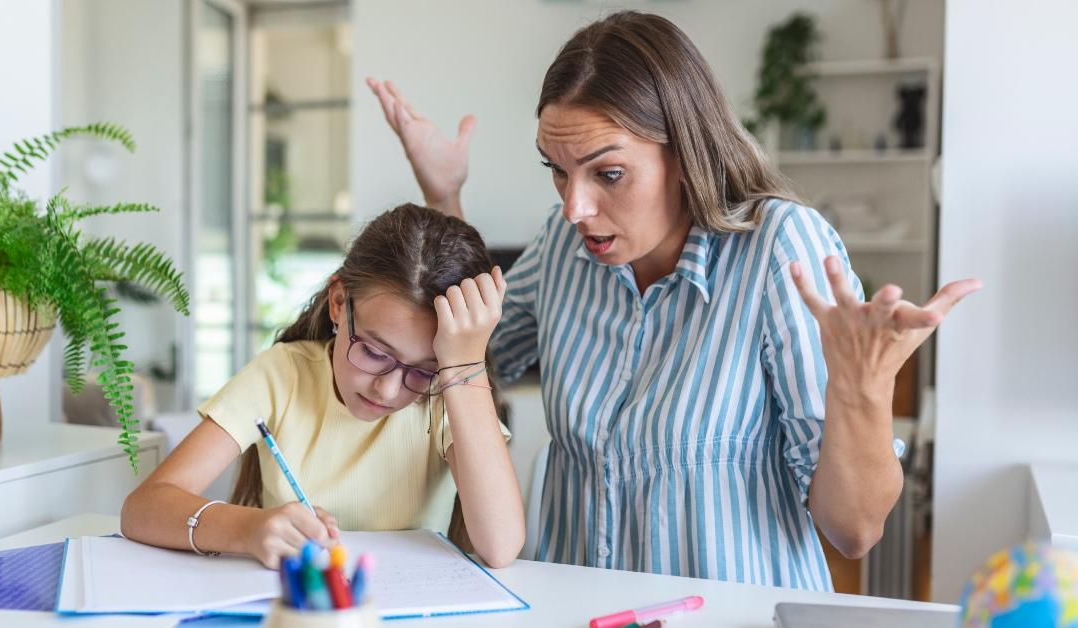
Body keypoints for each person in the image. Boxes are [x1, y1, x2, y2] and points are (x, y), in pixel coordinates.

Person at [368, 11, 980, 589]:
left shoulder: (779, 249)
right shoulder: (563, 242)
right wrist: (444, 199)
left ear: (687, 156)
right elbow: (464, 356)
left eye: (607, 174)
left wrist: (862, 385)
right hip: (571, 606)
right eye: (557, 170)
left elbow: (854, 531)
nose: (574, 207)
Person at [121, 203, 525, 569]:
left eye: (423, 370)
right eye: (373, 351)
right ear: (338, 303)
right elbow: (142, 508)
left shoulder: (445, 397)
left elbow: (501, 545)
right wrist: (248, 529)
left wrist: (463, 366)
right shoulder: (282, 375)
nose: (387, 390)